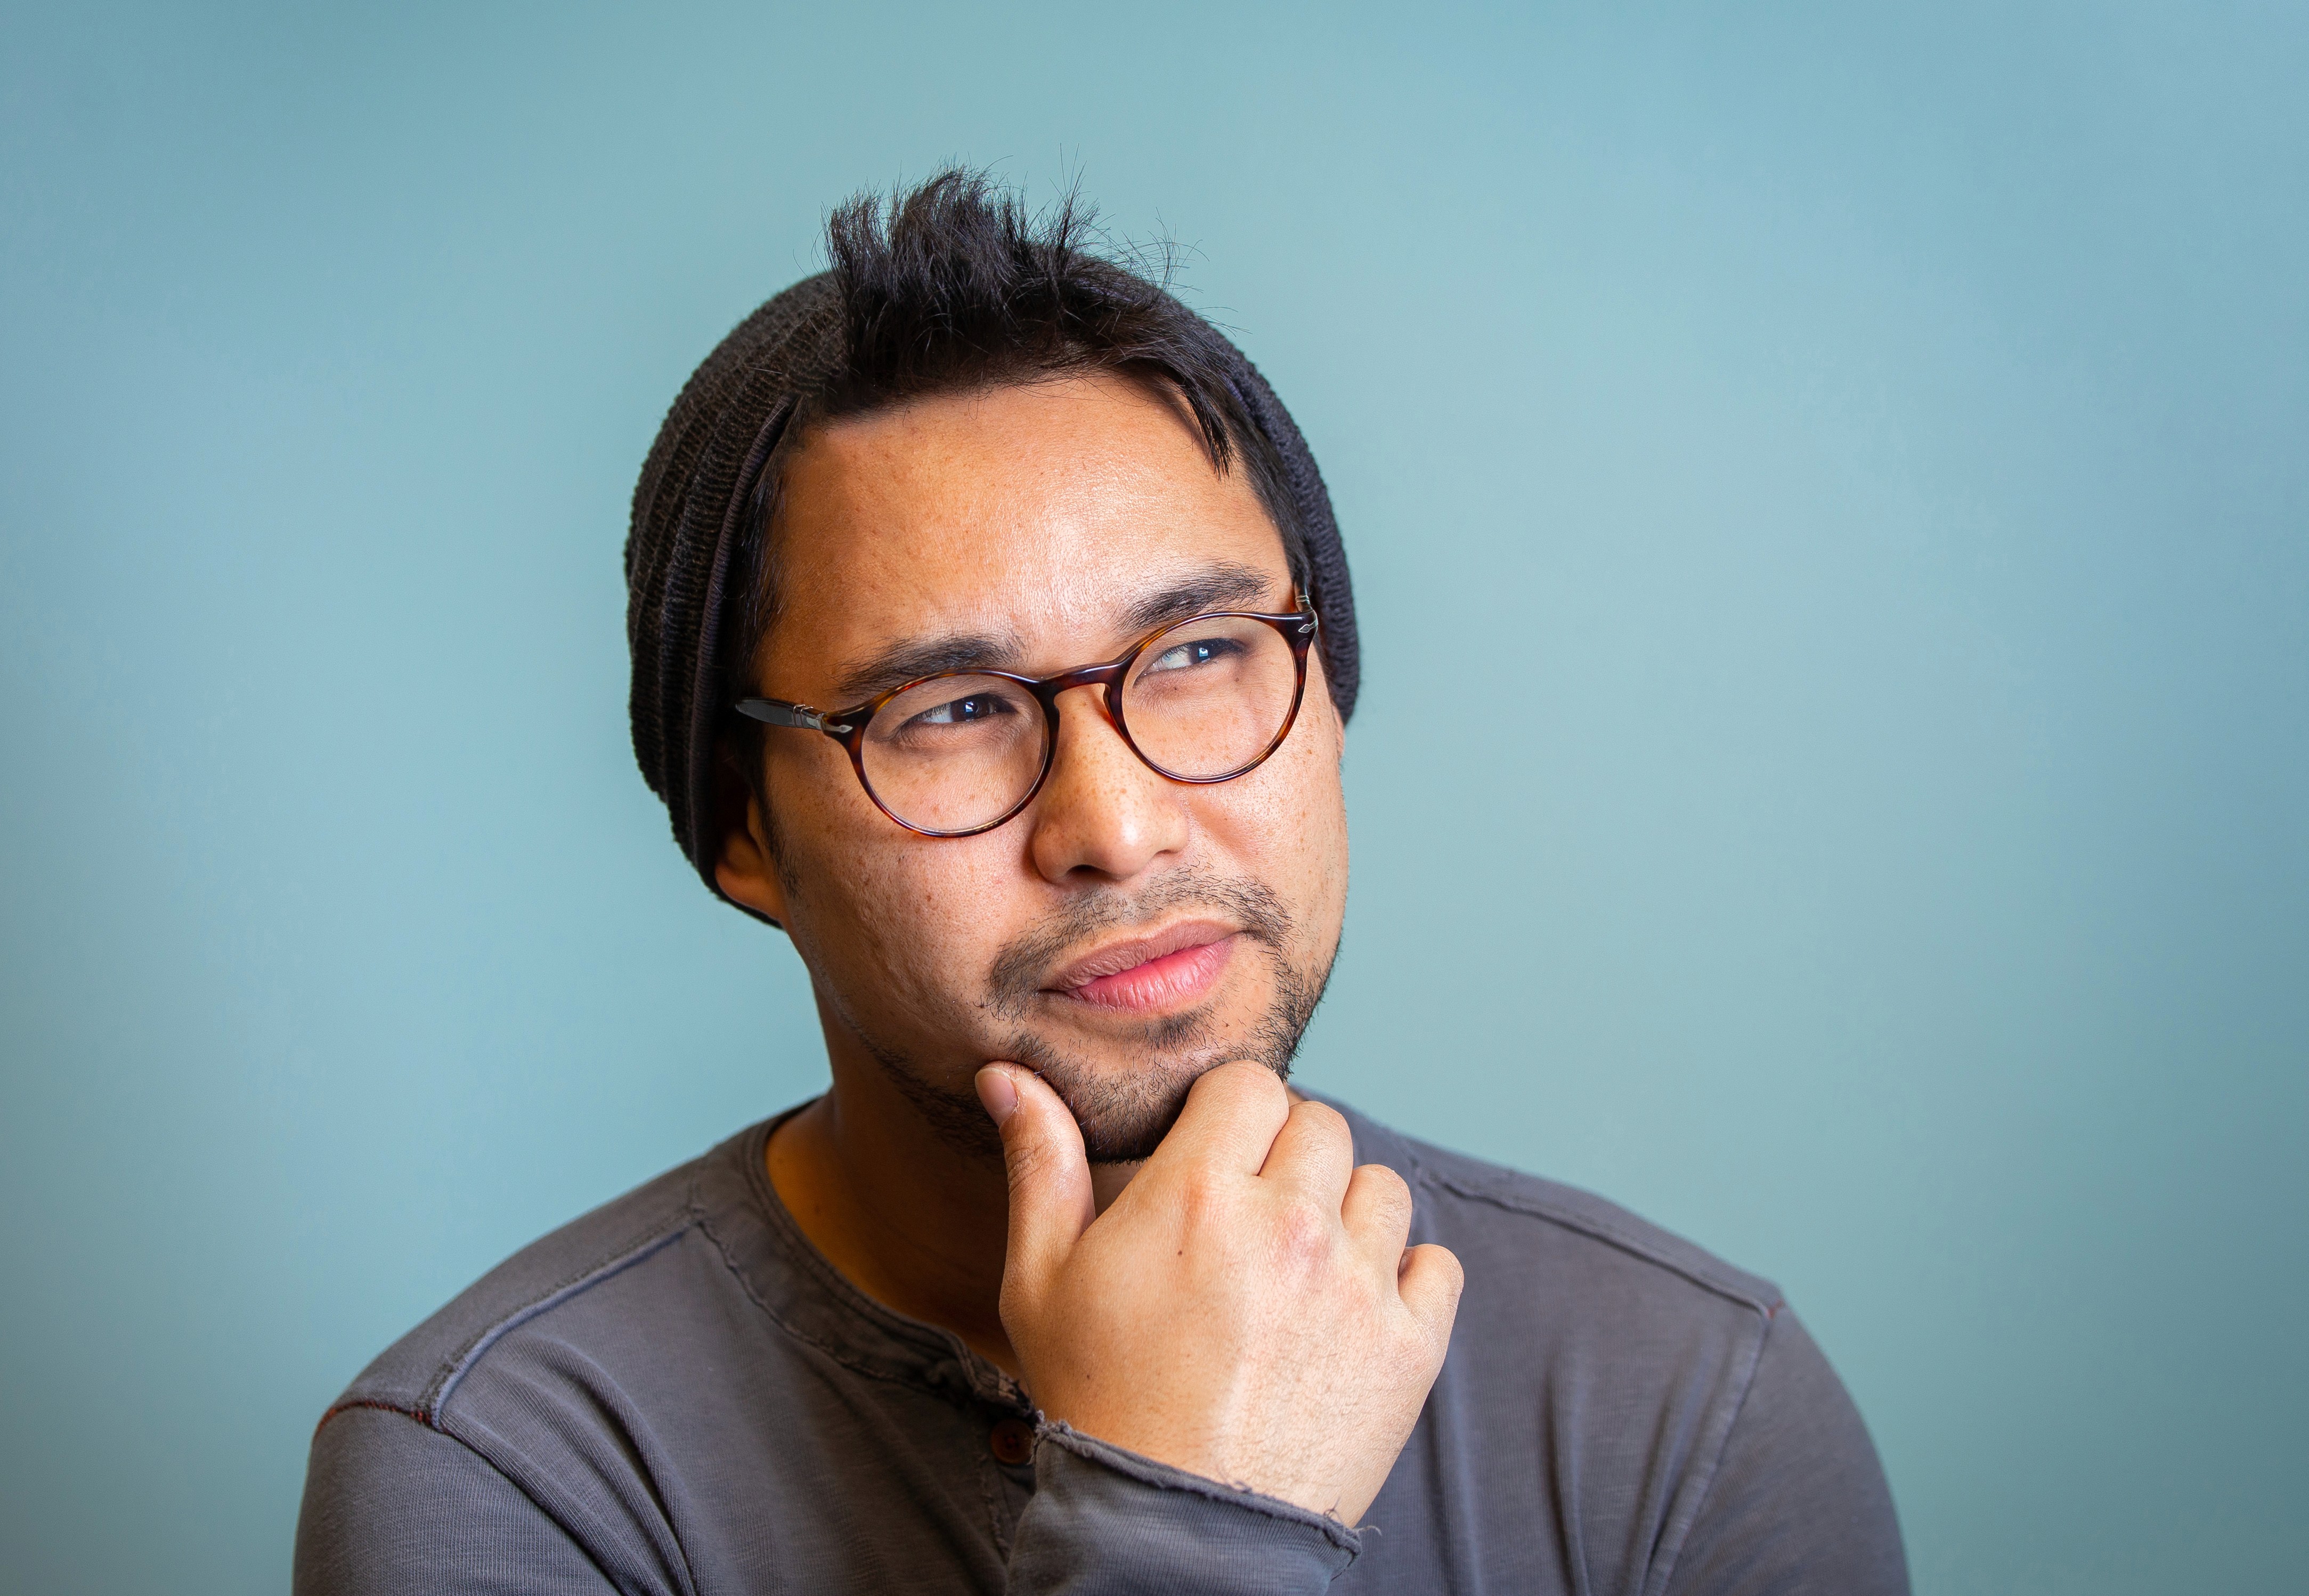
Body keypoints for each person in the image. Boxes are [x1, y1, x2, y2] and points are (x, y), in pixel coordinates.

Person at [294, 170, 1908, 1595]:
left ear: (1328, 695)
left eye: (1203, 653)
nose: (1118, 825)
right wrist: (1196, 1530)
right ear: (742, 829)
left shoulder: (1680, 1412)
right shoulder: (505, 1476)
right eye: (951, 713)